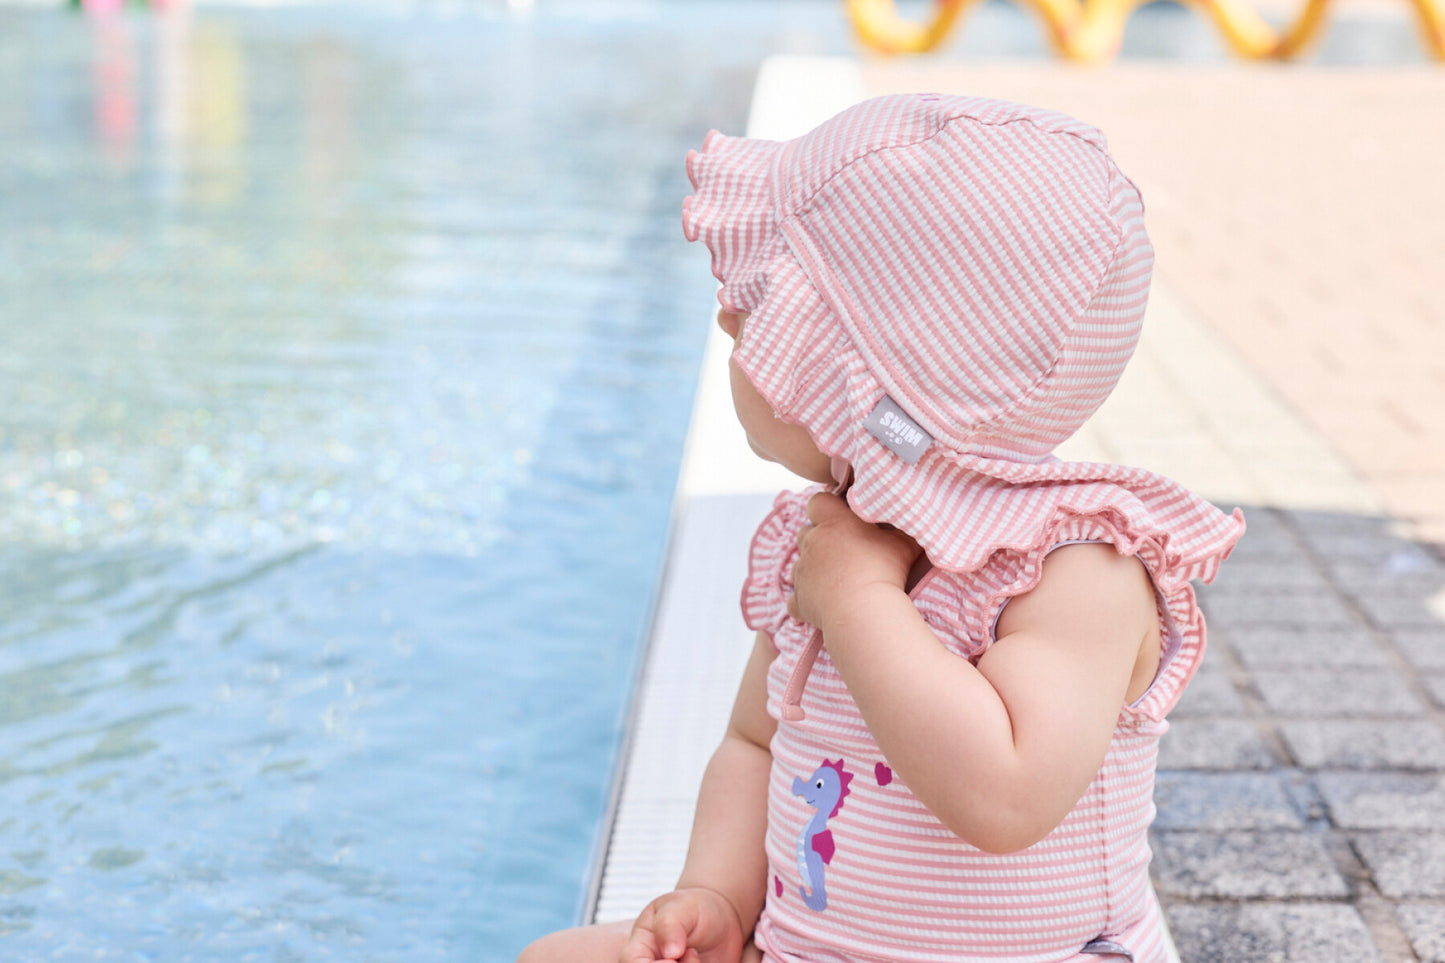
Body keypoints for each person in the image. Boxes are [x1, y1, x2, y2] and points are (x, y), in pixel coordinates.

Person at [519, 93, 1244, 963]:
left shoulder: (1076, 571)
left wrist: (860, 601)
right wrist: (716, 893)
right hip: (801, 946)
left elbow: (1006, 796)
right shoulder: (822, 539)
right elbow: (755, 741)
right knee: (557, 957)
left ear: (844, 382)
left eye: (758, 307)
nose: (725, 319)